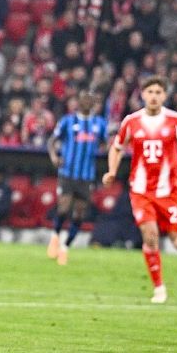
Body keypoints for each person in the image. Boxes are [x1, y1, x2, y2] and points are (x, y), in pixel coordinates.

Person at [102, 76, 177, 303]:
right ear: (143, 94)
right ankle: (159, 288)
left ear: (164, 95)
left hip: (169, 192)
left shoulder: (175, 120)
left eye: (158, 92)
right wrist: (112, 171)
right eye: (150, 92)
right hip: (141, 191)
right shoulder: (131, 121)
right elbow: (116, 148)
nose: (154, 96)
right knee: (150, 236)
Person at [47, 90, 109, 265]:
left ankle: (65, 248)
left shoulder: (99, 123)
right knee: (63, 207)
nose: (87, 102)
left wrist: (105, 149)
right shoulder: (68, 121)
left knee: (80, 213)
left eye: (90, 100)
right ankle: (55, 236)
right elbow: (52, 140)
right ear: (78, 102)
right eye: (84, 99)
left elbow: (106, 144)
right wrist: (54, 156)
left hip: (86, 176)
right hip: (67, 173)